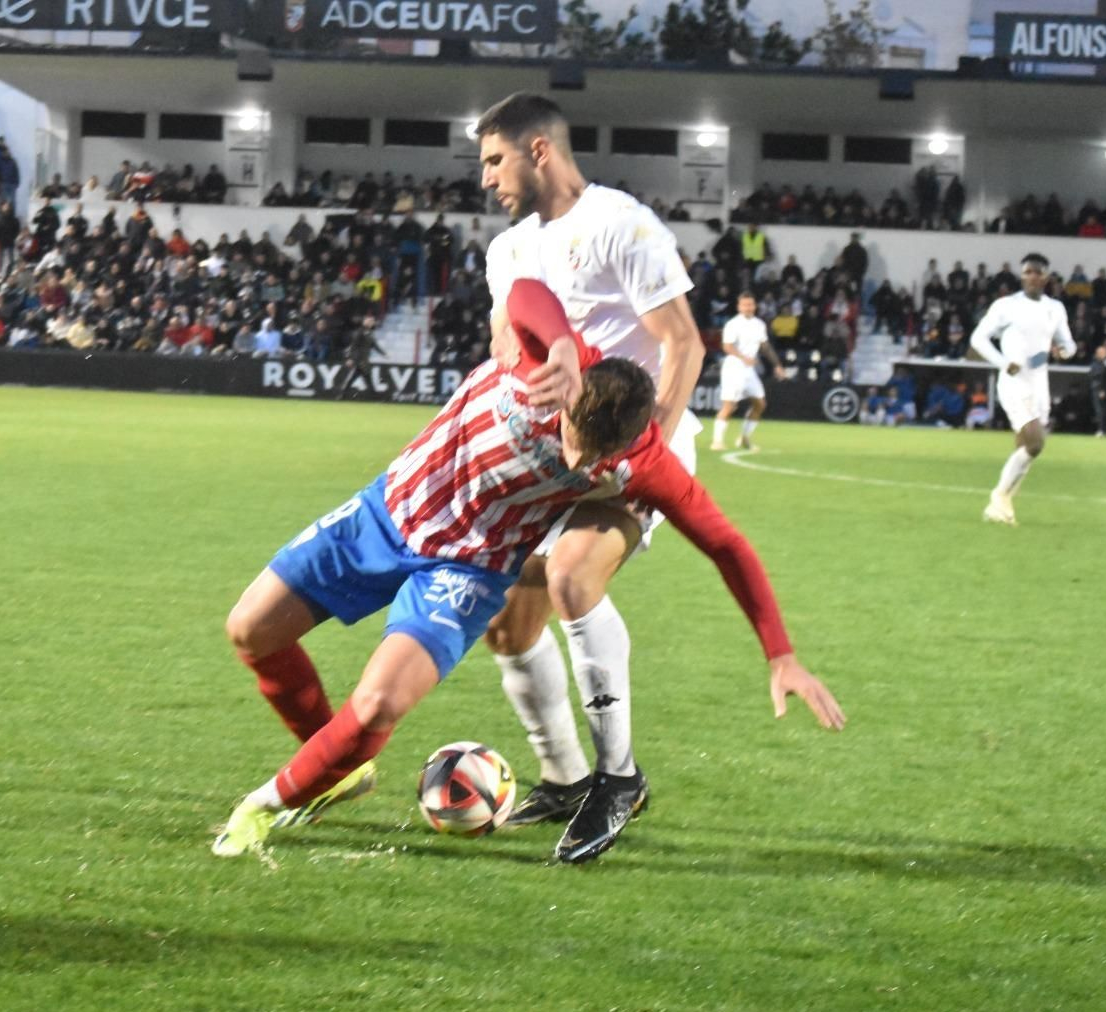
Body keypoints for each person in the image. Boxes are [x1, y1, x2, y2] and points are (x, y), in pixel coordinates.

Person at [212, 278, 844, 859]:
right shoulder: (553, 362)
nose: (577, 461)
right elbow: (523, 292)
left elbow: (726, 544)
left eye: (596, 459)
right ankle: (336, 772)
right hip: (388, 511)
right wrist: (563, 343)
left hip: (469, 567)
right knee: (251, 630)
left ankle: (260, 807)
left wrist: (780, 654)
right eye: (574, 440)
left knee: (378, 705)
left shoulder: (647, 463)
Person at [472, 92, 709, 862]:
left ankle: (619, 777)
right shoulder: (507, 253)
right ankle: (566, 777)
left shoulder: (620, 224)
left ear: (538, 150)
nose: (486, 178)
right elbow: (506, 357)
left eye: (494, 160)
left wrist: (648, 449)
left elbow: (683, 344)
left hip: (632, 450)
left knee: (572, 576)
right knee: (507, 624)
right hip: (555, 461)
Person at [969, 252, 1076, 525]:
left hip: (1040, 383)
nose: (1032, 277)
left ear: (1046, 277)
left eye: (1038, 272)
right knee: (1036, 443)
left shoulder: (1055, 308)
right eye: (1028, 272)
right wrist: (1004, 363)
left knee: (1025, 448)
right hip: (1014, 383)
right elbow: (978, 339)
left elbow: (1069, 344)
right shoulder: (1006, 305)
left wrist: (1064, 351)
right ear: (1021, 275)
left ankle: (1001, 507)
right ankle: (999, 496)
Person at [712, 291, 788, 452]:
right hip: (734, 368)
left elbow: (765, 347)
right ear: (739, 307)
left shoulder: (759, 324)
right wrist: (743, 357)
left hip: (749, 370)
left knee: (760, 404)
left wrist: (777, 365)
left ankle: (744, 438)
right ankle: (717, 441)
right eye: (745, 305)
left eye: (751, 304)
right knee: (729, 406)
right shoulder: (733, 324)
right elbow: (727, 346)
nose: (748, 307)